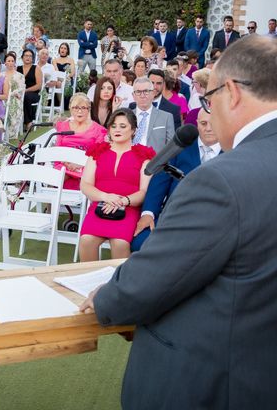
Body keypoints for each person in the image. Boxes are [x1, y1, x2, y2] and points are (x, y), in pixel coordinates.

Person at [80, 34, 277, 410]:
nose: (208, 111)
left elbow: (149, 282)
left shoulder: (221, 179)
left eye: (209, 99)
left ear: (232, 93)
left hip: (213, 381)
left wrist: (108, 296)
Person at [131, 108, 220, 252]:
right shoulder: (181, 147)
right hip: (176, 214)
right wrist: (148, 213)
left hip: (213, 220)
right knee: (141, 242)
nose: (208, 128)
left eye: (213, 124)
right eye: (203, 123)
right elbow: (159, 182)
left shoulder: (232, 151)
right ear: (196, 124)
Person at [77, 108, 154, 261]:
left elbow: (144, 191)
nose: (117, 130)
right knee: (86, 241)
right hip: (100, 206)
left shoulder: (143, 155)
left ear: (133, 130)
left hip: (128, 209)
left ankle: (119, 284)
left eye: (123, 126)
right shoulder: (97, 152)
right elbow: (85, 185)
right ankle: (88, 282)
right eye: (114, 126)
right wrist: (106, 197)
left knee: (120, 243)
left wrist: (122, 201)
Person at [54, 93, 107, 190]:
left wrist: (79, 164)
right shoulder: (62, 126)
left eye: (83, 108)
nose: (79, 111)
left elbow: (98, 155)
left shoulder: (99, 130)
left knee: (60, 178)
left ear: (89, 109)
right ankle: (52, 203)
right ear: (70, 108)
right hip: (64, 165)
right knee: (58, 176)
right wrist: (66, 163)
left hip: (85, 166)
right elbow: (57, 150)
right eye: (75, 107)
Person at [130, 77, 174, 153]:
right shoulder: (126, 117)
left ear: (153, 93)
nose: (142, 95)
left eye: (146, 91)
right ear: (133, 95)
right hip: (130, 162)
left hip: (155, 162)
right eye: (138, 92)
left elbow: (171, 147)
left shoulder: (166, 117)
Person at [17, 49, 43, 129]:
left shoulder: (36, 68)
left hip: (33, 93)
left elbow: (39, 85)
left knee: (26, 96)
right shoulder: (18, 68)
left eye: (30, 56)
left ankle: (28, 122)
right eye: (26, 56)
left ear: (32, 58)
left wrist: (26, 90)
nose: (28, 57)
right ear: (22, 57)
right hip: (20, 92)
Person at [2, 53, 26, 140]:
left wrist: (13, 93)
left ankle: (11, 133)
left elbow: (21, 88)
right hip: (3, 97)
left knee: (13, 104)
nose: (11, 63)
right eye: (8, 61)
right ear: (5, 63)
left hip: (14, 98)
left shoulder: (19, 75)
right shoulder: (1, 75)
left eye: (12, 61)